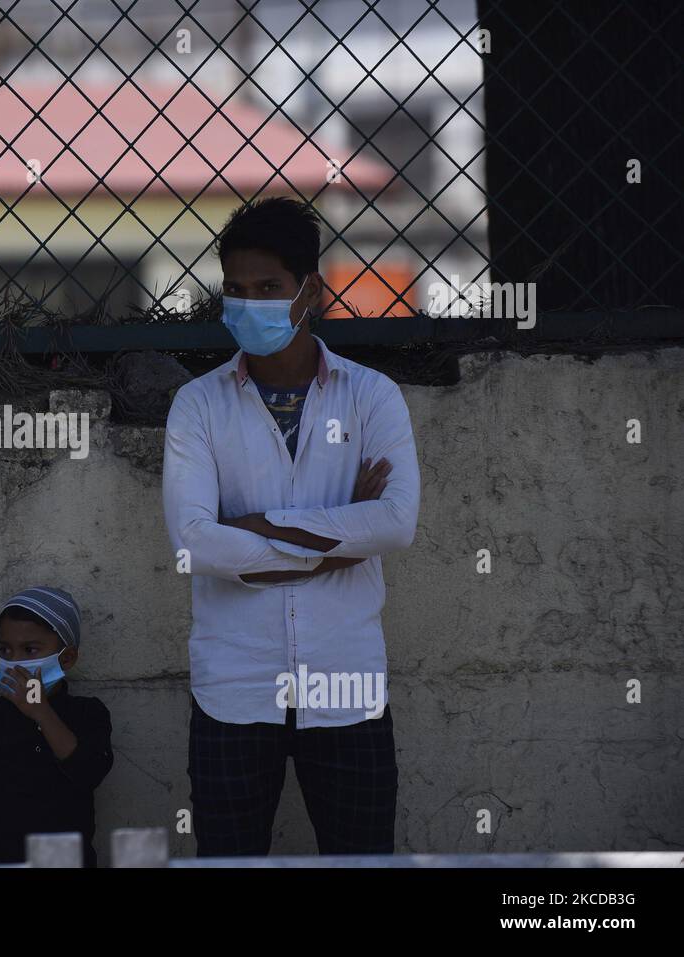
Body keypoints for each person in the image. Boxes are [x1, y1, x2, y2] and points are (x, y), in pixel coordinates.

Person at [162, 196, 421, 857]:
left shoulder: (371, 396)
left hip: (347, 682)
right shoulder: (197, 406)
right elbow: (194, 541)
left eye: (269, 288)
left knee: (361, 857)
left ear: (311, 289)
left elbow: (394, 522)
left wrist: (257, 526)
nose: (251, 305)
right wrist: (335, 545)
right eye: (236, 291)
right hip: (234, 686)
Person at [0, 587, 113, 867]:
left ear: (66, 659)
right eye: (5, 649)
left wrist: (40, 711)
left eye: (30, 650)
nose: (14, 662)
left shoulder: (88, 714)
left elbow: (89, 771)